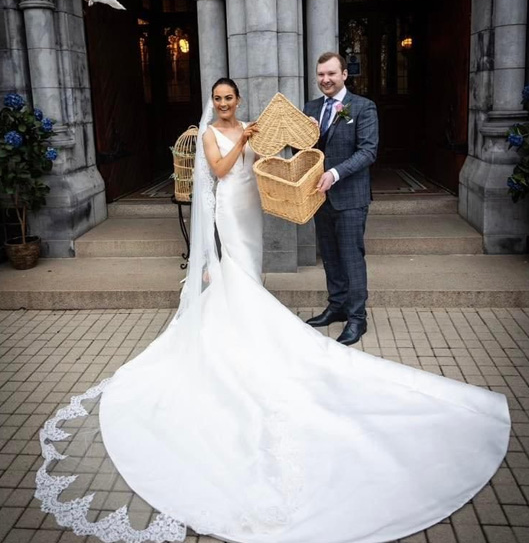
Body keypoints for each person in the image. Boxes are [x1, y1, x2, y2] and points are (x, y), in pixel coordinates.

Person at [36, 78, 510, 543]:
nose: (224, 104)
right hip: (227, 208)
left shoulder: (252, 125)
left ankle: (249, 315)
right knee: (234, 274)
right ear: (213, 103)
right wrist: (240, 137)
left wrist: (294, 133)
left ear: (238, 99)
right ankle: (239, 327)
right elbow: (220, 171)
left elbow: (280, 149)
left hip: (252, 206)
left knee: (250, 272)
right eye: (218, 99)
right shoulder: (211, 134)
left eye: (229, 98)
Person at [304, 52, 378, 346]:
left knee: (351, 259)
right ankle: (337, 307)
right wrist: (303, 136)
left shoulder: (363, 107)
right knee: (330, 257)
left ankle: (357, 319)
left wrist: (334, 173)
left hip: (349, 196)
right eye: (321, 74)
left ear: (345, 74)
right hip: (319, 197)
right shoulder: (311, 107)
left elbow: (368, 151)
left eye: (332, 74)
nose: (325, 80)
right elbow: (307, 151)